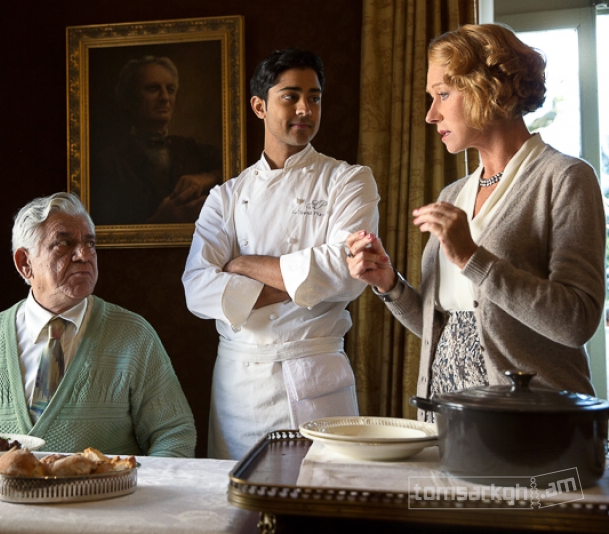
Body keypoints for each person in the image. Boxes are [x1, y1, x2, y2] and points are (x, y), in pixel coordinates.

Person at [345, 24, 604, 420]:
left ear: (487, 88)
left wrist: (471, 257)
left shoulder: (565, 178)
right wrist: (389, 284)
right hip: (448, 422)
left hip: (530, 426)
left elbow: (576, 322)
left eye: (443, 94)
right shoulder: (453, 195)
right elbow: (449, 329)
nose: (431, 114)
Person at [182, 49, 380, 460]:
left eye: (314, 97)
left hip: (316, 376)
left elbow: (346, 273)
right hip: (240, 384)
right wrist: (305, 283)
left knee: (323, 493)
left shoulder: (348, 180)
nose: (305, 109)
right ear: (260, 106)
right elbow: (197, 289)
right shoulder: (226, 197)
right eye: (291, 96)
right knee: (237, 496)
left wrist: (242, 265)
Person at [0, 192, 197, 456]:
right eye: (64, 243)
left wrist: (132, 486)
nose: (84, 255)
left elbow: (173, 434)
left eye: (90, 243)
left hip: (104, 490)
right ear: (25, 263)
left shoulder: (133, 336)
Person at [91, 56, 222, 225]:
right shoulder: (108, 162)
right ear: (128, 99)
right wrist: (159, 221)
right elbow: (104, 231)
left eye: (170, 89)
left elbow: (241, 169)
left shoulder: (192, 148)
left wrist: (208, 177)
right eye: (153, 89)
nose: (165, 97)